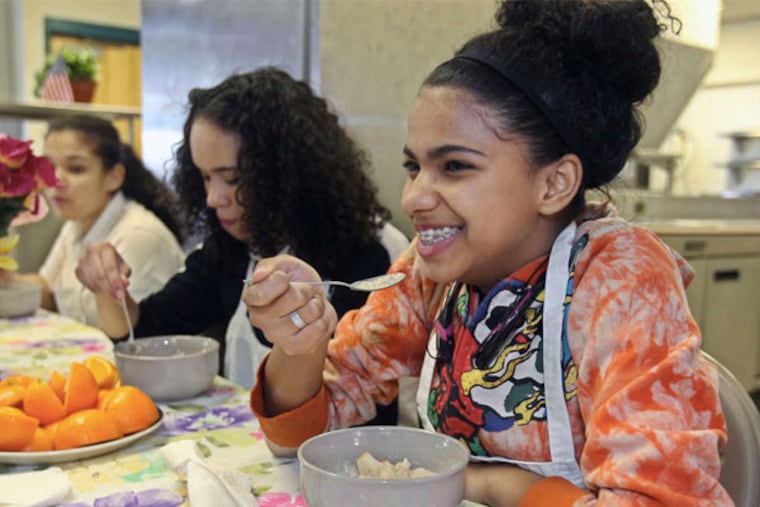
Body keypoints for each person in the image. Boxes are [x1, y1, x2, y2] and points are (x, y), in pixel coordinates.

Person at [242, 1, 732, 505]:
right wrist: (299, 343)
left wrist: (491, 482)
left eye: (453, 166)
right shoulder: (429, 272)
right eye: (414, 167)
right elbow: (298, 441)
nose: (413, 198)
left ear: (554, 183)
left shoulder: (621, 281)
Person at [75, 68, 402, 410]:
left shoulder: (368, 255)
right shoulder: (230, 249)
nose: (214, 198)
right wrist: (108, 288)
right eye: (204, 177)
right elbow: (141, 335)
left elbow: (367, 406)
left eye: (232, 178)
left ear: (288, 173)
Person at [7, 115, 185, 326]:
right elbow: (48, 288)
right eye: (49, 167)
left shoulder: (139, 235)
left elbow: (128, 333)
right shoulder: (76, 223)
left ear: (114, 177)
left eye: (76, 169)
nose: (56, 180)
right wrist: (7, 279)